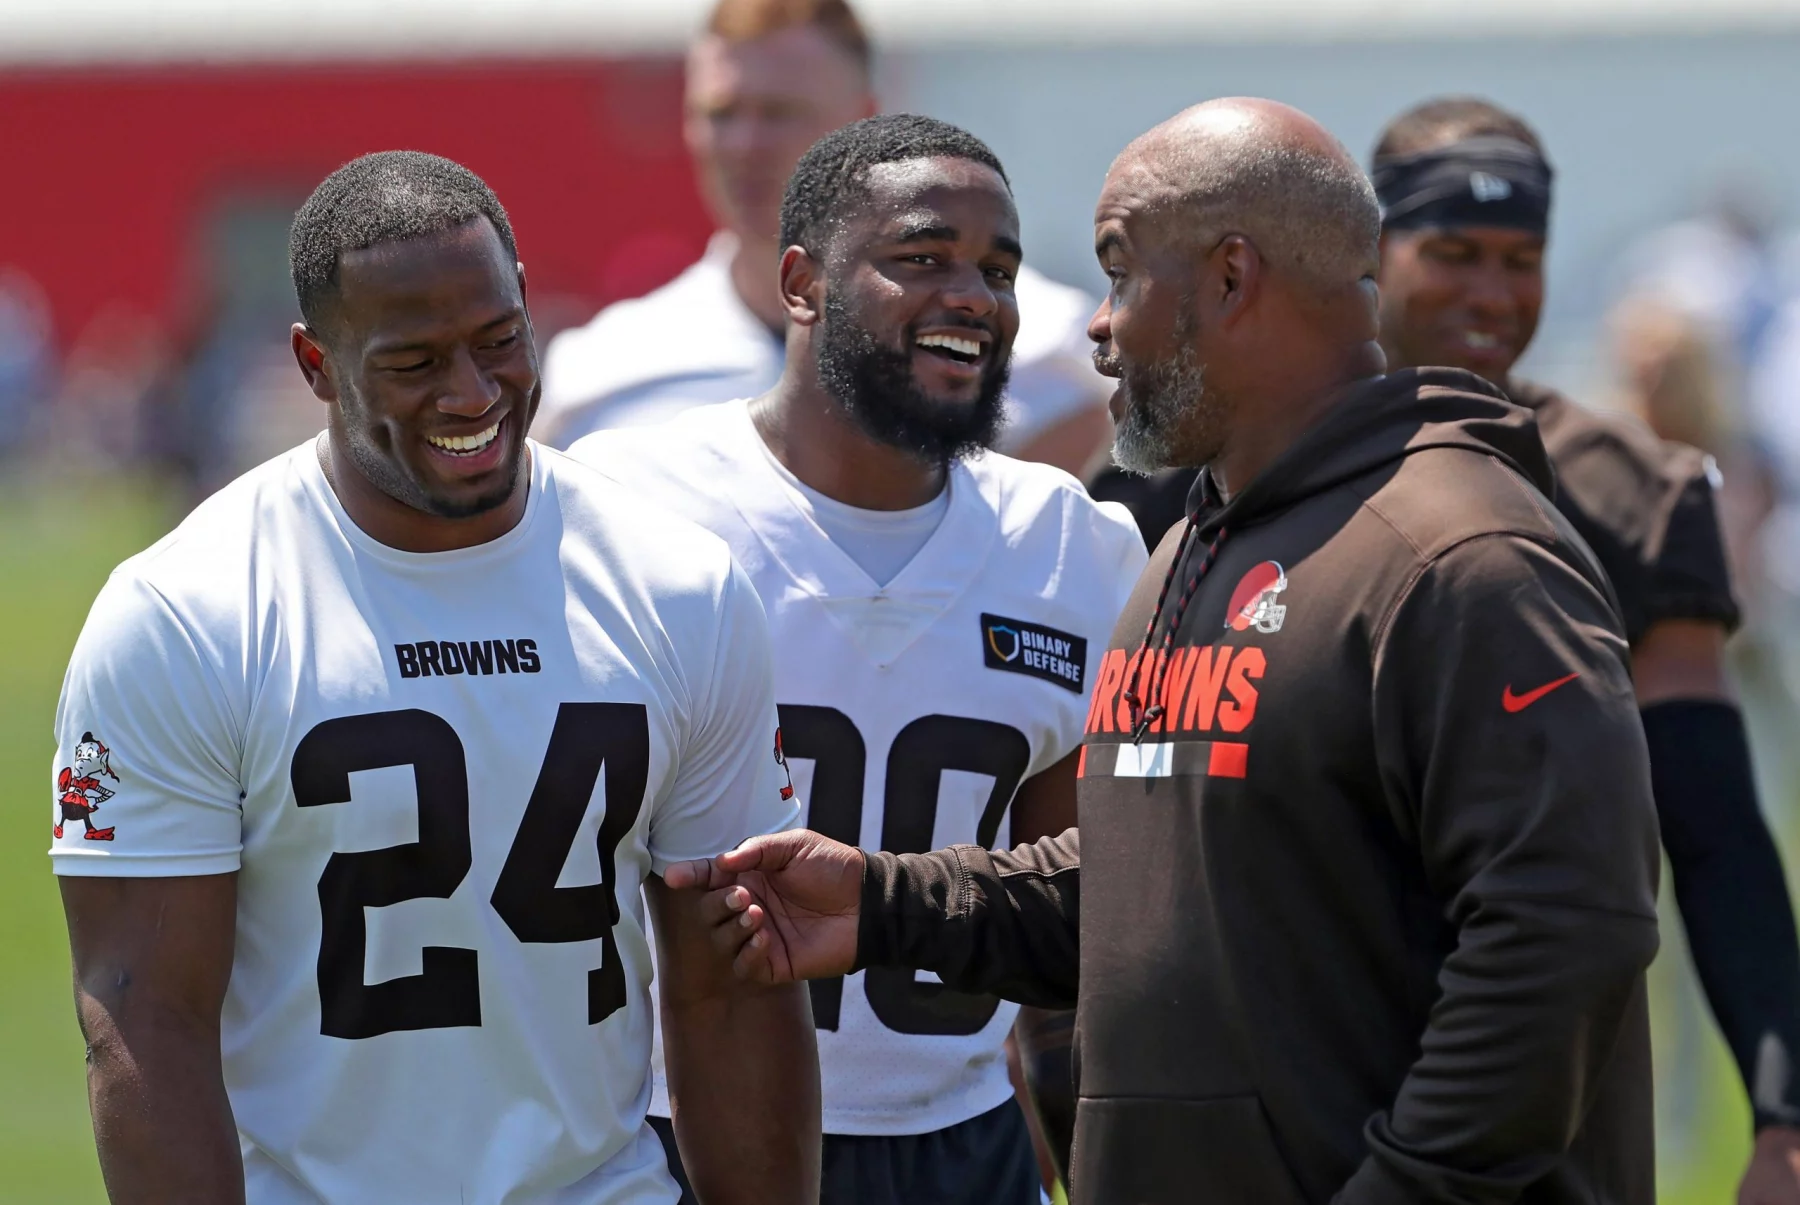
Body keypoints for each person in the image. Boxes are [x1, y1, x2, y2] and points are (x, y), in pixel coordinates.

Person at [667, 98, 1665, 1204]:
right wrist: (889, 905)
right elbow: (1159, 874)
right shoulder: (1187, 549)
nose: (1095, 328)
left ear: (1232, 279)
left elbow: (1564, 932)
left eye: (1118, 272)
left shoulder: (1461, 555)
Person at [50, 151, 818, 1204]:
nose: (473, 392)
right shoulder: (189, 610)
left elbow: (730, 980)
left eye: (499, 340)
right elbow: (143, 1017)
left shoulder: (676, 585)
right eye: (414, 361)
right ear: (316, 364)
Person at [569, 114, 1145, 1205]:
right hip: (669, 1125)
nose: (973, 294)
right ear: (803, 282)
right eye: (922, 258)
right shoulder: (623, 507)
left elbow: (1074, 920)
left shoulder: (1076, 545)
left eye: (998, 268)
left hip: (964, 1142)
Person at [1369, 98, 1800, 1205]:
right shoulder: (1268, 456)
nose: (1491, 292)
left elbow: (1710, 822)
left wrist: (1784, 1110)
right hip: (1308, 1042)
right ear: (1373, 251)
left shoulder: (1628, 488)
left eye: (1522, 259)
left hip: (1545, 1084)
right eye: (1452, 252)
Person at [537, 0, 1114, 477]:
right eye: (721, 113)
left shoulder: (1046, 352)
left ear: (865, 121)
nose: (745, 145)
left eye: (780, 112)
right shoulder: (603, 378)